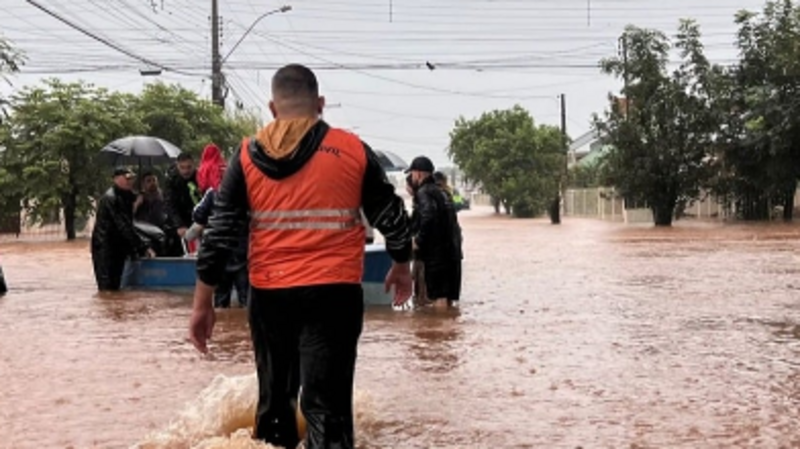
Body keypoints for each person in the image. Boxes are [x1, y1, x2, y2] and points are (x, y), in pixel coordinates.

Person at [188, 63, 413, 449]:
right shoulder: (352, 150)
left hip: (269, 295)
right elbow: (392, 216)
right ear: (320, 104)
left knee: (275, 405)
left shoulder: (246, 156)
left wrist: (202, 303)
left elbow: (219, 232)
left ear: (273, 108)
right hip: (334, 294)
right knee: (328, 410)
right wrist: (401, 265)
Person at [407, 156, 463, 307]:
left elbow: (428, 216)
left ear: (418, 174)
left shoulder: (424, 192)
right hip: (453, 253)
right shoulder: (442, 192)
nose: (412, 177)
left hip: (437, 256)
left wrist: (418, 241)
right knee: (448, 299)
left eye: (412, 173)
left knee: (438, 297)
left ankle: (439, 323)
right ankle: (449, 323)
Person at [91, 167, 155, 291]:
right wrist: (143, 246)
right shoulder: (111, 198)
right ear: (116, 179)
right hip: (105, 248)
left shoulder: (128, 196)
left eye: (132, 179)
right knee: (107, 287)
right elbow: (124, 226)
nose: (130, 181)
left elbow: (129, 224)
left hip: (118, 247)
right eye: (127, 178)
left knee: (117, 286)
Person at [191, 184, 249, 308]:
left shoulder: (213, 193)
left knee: (221, 302)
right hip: (244, 254)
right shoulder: (249, 191)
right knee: (247, 302)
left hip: (221, 254)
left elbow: (198, 215)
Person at [164, 153, 201, 241]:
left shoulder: (200, 176)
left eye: (189, 167)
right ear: (177, 166)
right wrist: (179, 224)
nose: (185, 171)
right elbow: (170, 204)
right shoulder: (172, 180)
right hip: (178, 220)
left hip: (197, 219)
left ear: (194, 165)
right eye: (182, 167)